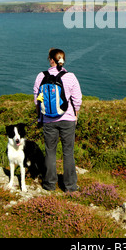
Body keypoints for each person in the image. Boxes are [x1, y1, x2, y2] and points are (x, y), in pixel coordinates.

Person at [33, 48, 82, 192]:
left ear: (50, 59)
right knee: (68, 152)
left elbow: (37, 100)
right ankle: (70, 186)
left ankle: (49, 184)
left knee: (50, 152)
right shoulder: (70, 77)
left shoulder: (41, 76)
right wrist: (75, 115)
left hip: (48, 120)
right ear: (63, 60)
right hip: (67, 119)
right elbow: (77, 99)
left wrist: (39, 117)